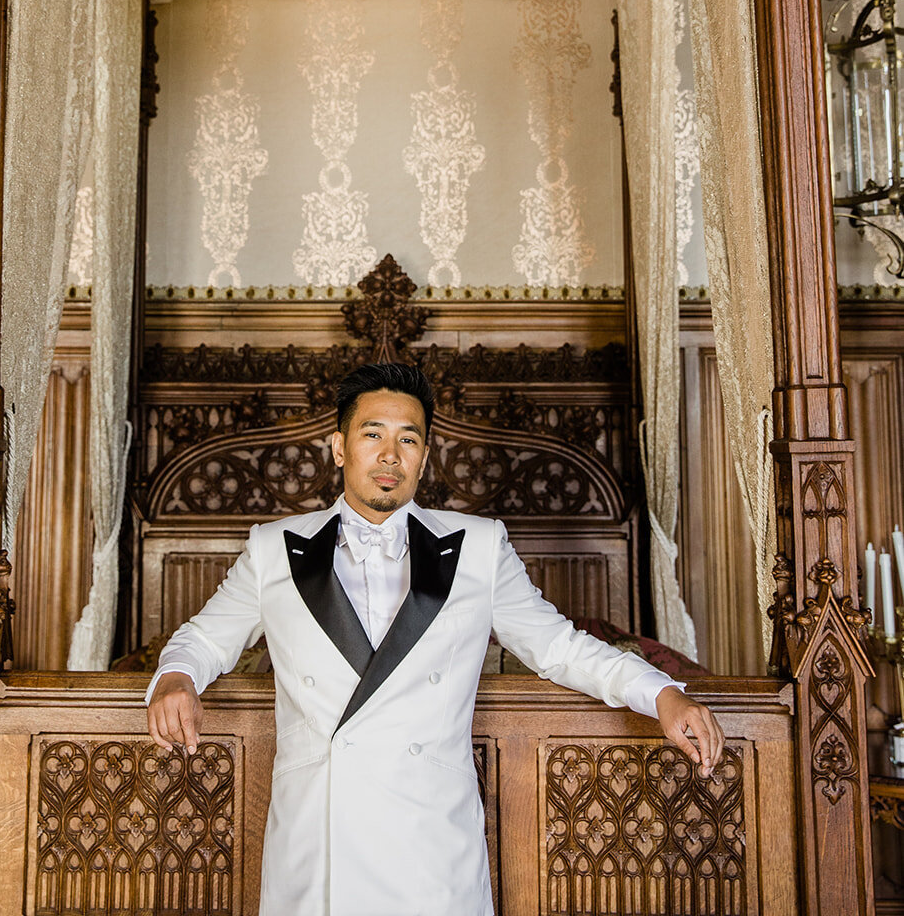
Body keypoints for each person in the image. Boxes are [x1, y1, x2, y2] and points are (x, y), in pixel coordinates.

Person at [146, 361, 724, 916]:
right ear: (339, 447)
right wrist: (176, 677)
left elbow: (559, 648)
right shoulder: (274, 546)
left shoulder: (479, 546)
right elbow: (204, 638)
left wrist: (662, 693)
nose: (389, 455)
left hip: (429, 844)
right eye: (373, 434)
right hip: (316, 842)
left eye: (409, 439)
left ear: (425, 455)